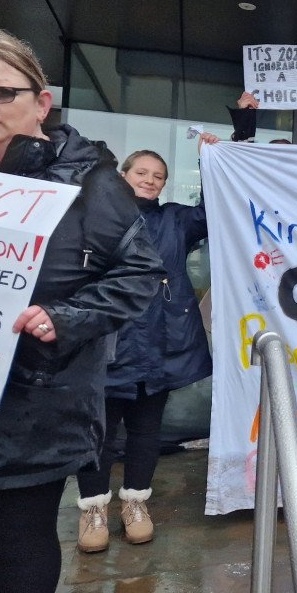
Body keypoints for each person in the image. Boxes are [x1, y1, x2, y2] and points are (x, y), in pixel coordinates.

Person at [0, 28, 164, 593]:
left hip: (34, 399)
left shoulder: (89, 181)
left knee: (18, 541)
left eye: (1, 92)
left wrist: (65, 317)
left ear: (41, 102)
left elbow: (139, 276)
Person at [75, 134, 219, 553]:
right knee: (98, 433)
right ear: (123, 176)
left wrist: (215, 156)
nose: (151, 180)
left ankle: (135, 505)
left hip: (161, 344)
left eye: (159, 176)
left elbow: (216, 211)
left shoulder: (176, 220)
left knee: (146, 431)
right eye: (142, 172)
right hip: (107, 344)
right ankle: (94, 511)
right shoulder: (94, 218)